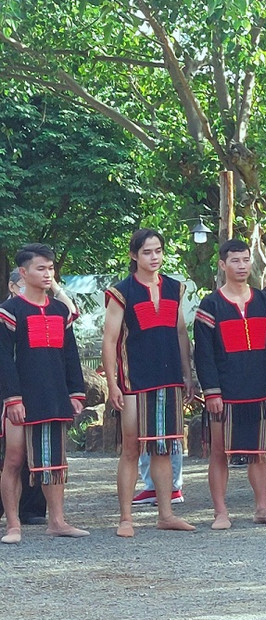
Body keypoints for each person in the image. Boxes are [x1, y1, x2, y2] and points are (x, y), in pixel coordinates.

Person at [103, 228, 196, 537]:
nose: (154, 257)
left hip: (168, 377)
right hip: (134, 379)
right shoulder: (122, 291)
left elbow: (181, 333)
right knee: (131, 448)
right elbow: (110, 339)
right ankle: (126, 519)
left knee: (164, 447)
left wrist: (187, 374)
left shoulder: (174, 287)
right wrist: (113, 384)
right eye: (147, 252)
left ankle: (165, 514)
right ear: (134, 255)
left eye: (158, 251)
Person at [193, 239, 266, 529]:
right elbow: (204, 353)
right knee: (220, 451)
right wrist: (211, 391)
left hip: (260, 387)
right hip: (225, 390)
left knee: (259, 452)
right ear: (222, 265)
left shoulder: (264, 302)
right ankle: (220, 512)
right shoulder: (210, 305)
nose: (242, 266)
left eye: (246, 260)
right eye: (235, 260)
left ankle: (262, 508)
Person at [0, 244, 89, 542]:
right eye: (41, 268)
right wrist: (12, 398)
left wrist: (76, 392)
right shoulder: (9, 311)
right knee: (14, 458)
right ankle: (13, 525)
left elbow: (71, 356)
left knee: (55, 460)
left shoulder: (60, 310)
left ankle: (58, 521)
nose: (47, 273)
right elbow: (3, 358)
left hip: (54, 394)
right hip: (21, 399)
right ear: (23, 273)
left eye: (50, 268)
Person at [2, 269, 49, 527]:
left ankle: (33, 508)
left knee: (37, 453)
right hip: (9, 391)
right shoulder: (7, 313)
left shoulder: (50, 309)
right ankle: (10, 515)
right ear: (12, 285)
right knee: (11, 455)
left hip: (36, 391)